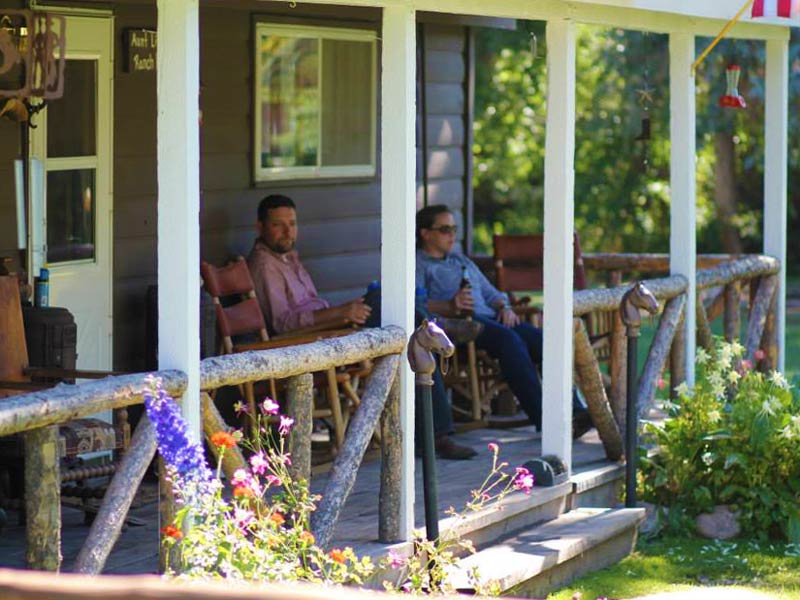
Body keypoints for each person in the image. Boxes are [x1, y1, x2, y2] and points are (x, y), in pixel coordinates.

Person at [248, 194, 476, 459]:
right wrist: (342, 313)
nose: (288, 231)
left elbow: (309, 307)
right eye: (279, 224)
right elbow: (283, 323)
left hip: (332, 328)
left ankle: (432, 329)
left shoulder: (287, 258)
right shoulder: (265, 266)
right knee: (403, 322)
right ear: (260, 227)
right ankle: (436, 330)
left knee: (398, 317)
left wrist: (345, 312)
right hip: (308, 344)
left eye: (293, 223)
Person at [415, 204, 593, 439]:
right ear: (425, 233)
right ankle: (545, 419)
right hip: (460, 324)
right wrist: (449, 306)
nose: (452, 235)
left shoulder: (461, 260)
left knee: (544, 342)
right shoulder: (418, 264)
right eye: (445, 229)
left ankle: (576, 412)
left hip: (493, 316)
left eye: (454, 229)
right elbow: (414, 304)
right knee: (511, 341)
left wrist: (505, 306)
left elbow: (492, 293)